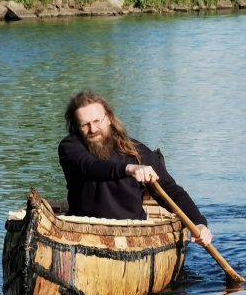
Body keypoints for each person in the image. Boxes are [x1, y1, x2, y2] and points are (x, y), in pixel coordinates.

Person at [58, 90, 213, 246]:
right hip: (84, 233)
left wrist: (198, 223)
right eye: (85, 125)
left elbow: (170, 190)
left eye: (97, 121)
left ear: (109, 119)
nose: (92, 129)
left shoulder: (136, 151)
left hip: (133, 236)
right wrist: (129, 169)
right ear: (76, 128)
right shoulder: (70, 147)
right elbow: (90, 166)